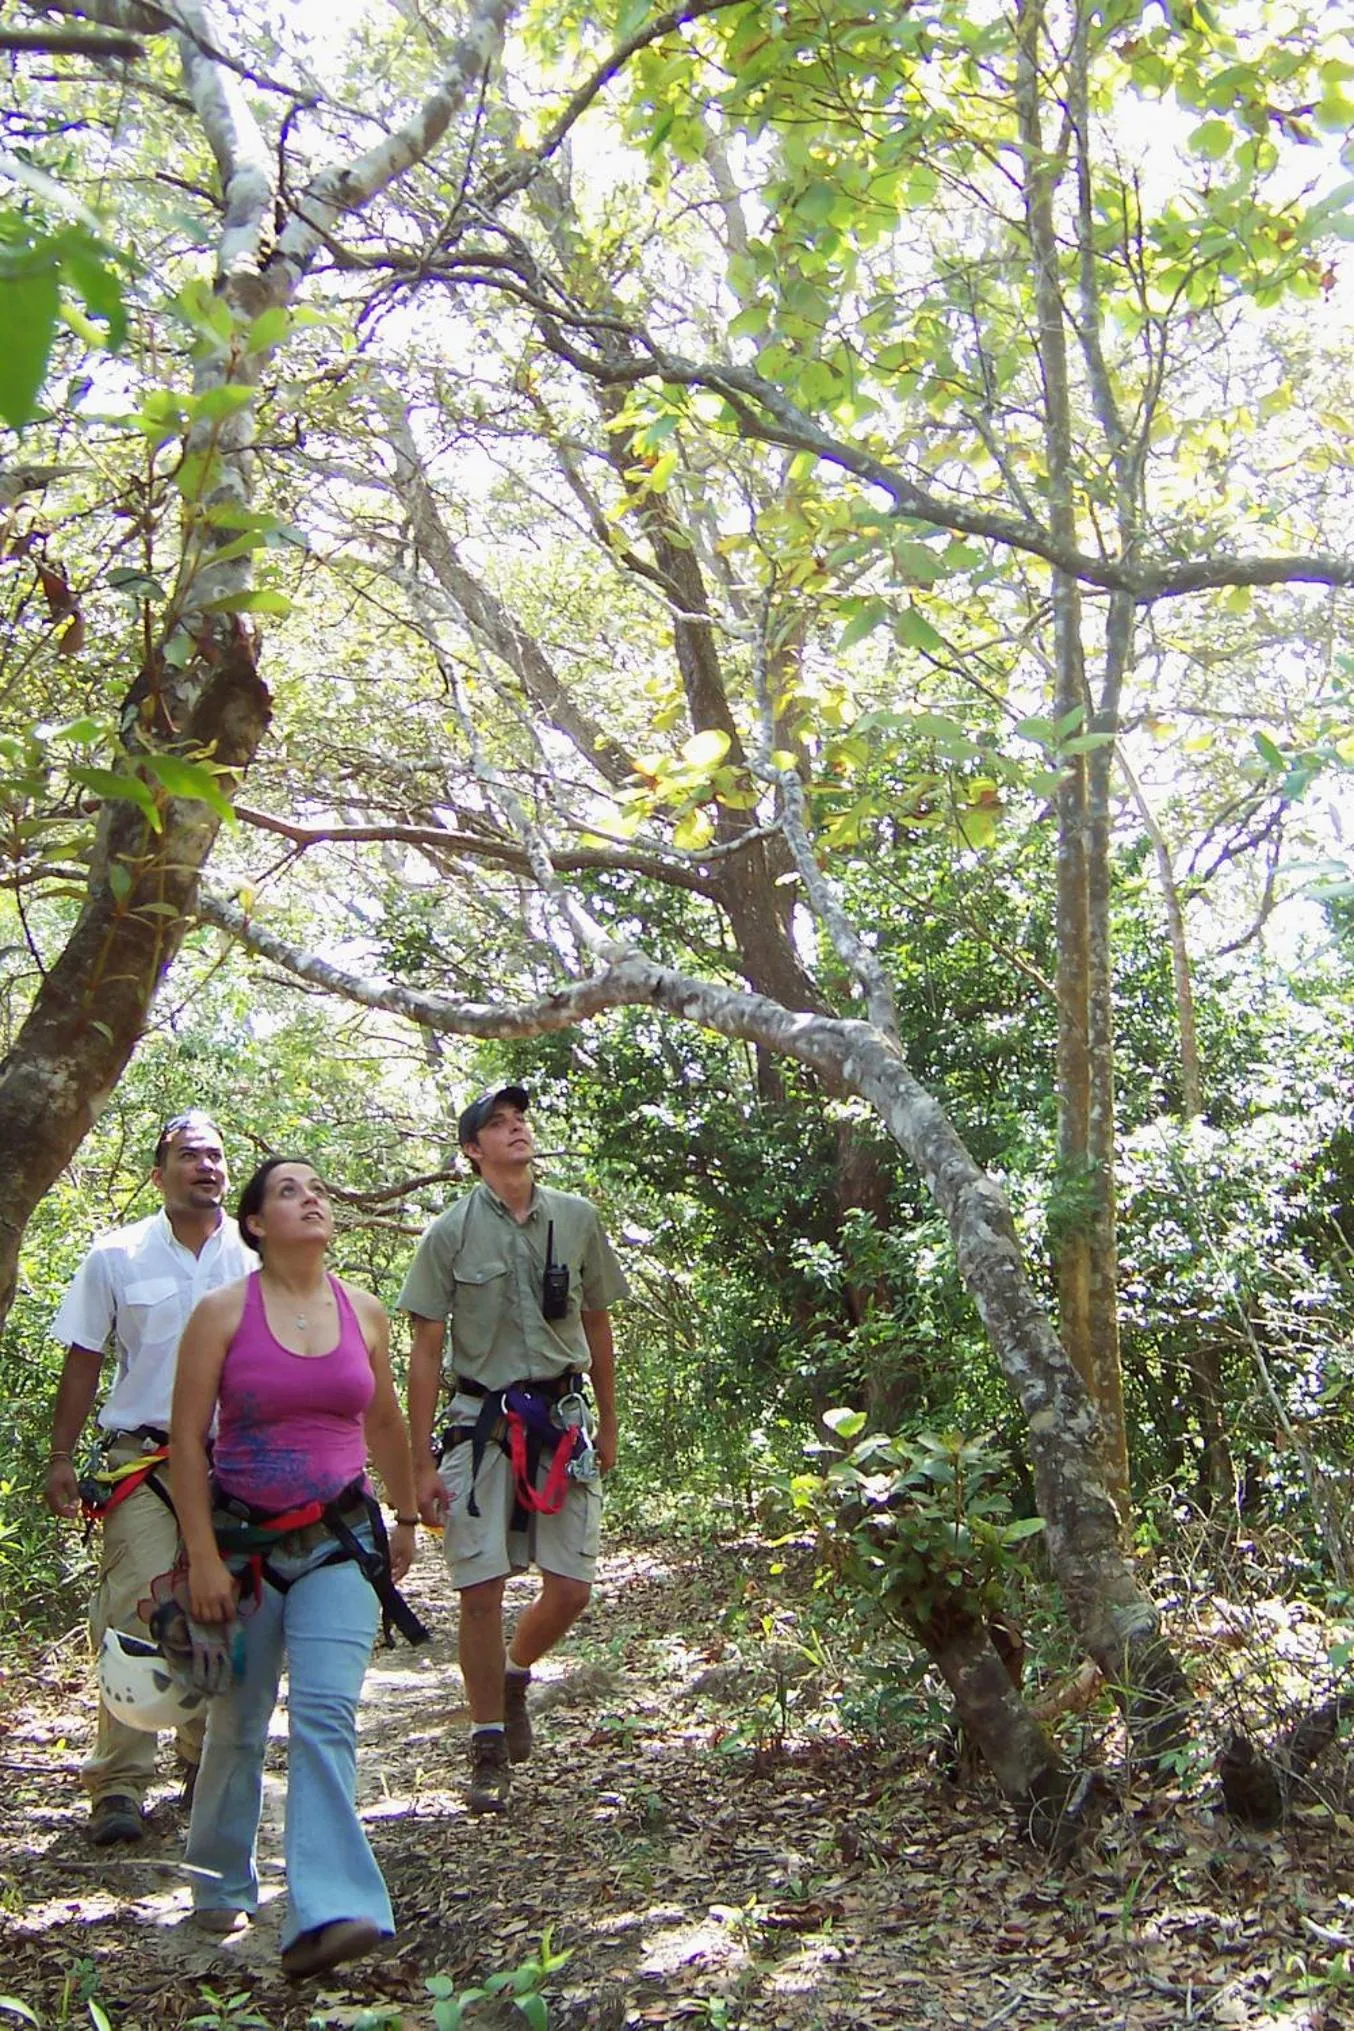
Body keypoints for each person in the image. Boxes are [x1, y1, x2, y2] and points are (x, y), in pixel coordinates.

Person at [170, 1155, 421, 1981]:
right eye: (288, 1190)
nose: (311, 1197)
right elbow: (184, 1444)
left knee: (324, 1715)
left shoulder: (366, 1311)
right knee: (239, 1726)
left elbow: (382, 1420)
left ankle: (331, 1907)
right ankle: (217, 1879)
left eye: (317, 1187)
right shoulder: (220, 1313)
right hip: (242, 1552)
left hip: (340, 1541)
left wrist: (408, 1511)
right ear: (253, 1223)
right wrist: (201, 1557)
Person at [401, 1083, 627, 1813]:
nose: (515, 1130)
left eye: (519, 1119)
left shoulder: (578, 1218)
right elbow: (425, 1352)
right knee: (479, 1590)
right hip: (482, 1423)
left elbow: (598, 1325)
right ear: (472, 1150)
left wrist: (613, 1423)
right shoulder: (449, 1234)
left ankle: (514, 1670)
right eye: (496, 1125)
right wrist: (418, 1461)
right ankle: (488, 1744)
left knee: (571, 1588)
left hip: (562, 1419)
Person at [45, 1110, 253, 1846]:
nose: (208, 1166)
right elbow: (85, 1355)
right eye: (191, 1154)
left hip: (238, 1461)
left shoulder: (258, 1254)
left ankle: (203, 1763)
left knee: (224, 1607)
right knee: (136, 1608)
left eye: (218, 1155)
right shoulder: (117, 1255)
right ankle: (121, 1783)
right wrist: (63, 1455)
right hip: (144, 1457)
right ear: (159, 1168)